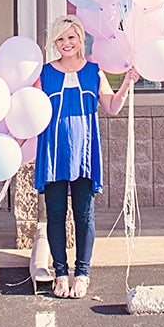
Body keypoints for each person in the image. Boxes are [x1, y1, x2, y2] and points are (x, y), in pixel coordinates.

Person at [34, 17, 135, 298]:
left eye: (71, 38)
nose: (66, 44)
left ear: (80, 39)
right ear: (54, 44)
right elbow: (30, 112)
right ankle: (60, 273)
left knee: (84, 215)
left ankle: (82, 273)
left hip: (84, 154)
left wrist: (126, 83)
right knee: (55, 215)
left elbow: (112, 107)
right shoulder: (44, 74)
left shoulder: (94, 72)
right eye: (60, 39)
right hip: (53, 153)